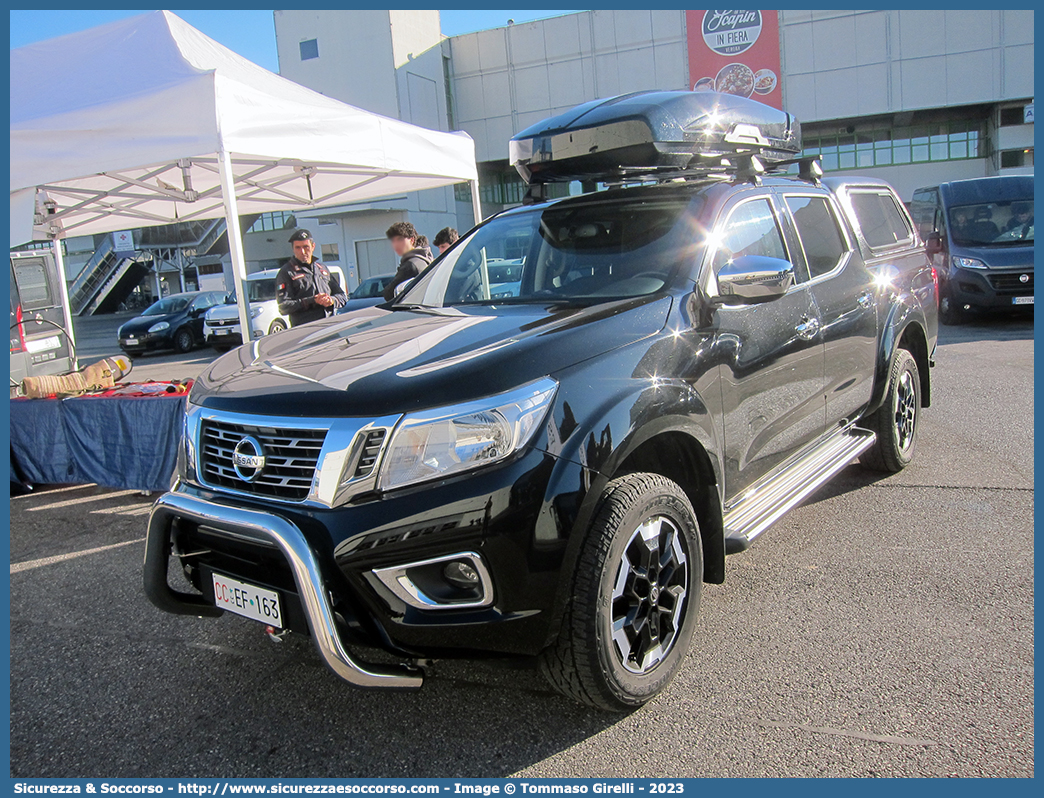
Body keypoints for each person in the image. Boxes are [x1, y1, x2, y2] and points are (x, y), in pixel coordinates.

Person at [276, 229, 347, 327]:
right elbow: (283, 307)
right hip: (305, 330)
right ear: (293, 249)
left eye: (306, 247)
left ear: (313, 246)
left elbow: (342, 296)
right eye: (298, 248)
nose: (303, 251)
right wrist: (312, 301)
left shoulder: (322, 269)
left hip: (329, 326)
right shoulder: (286, 272)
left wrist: (331, 300)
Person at [382, 221, 433, 301]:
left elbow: (389, 294)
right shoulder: (424, 259)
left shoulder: (410, 265)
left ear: (412, 240)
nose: (396, 244)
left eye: (400, 239)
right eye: (393, 240)